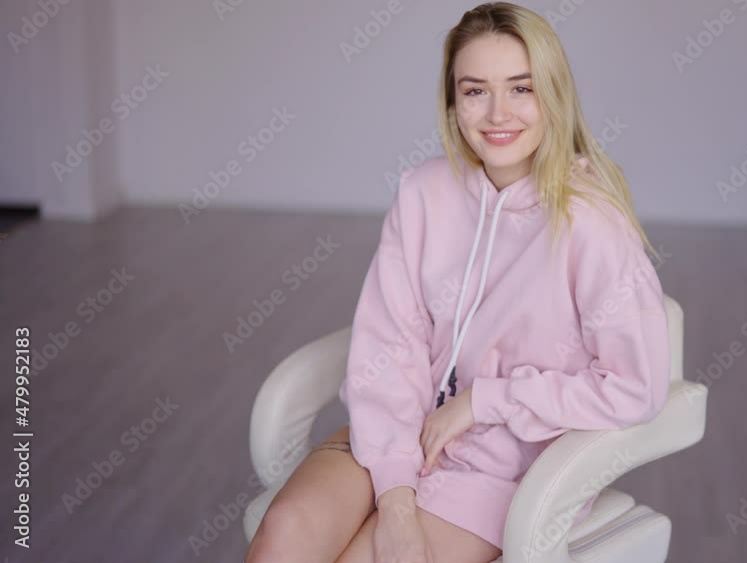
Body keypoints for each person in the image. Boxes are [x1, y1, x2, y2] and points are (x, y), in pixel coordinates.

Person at [244, 2, 671, 562]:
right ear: (453, 101)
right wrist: (396, 496)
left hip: (502, 473)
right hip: (397, 437)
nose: (498, 113)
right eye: (475, 91)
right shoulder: (423, 193)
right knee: (282, 535)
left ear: (554, 94)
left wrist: (486, 400)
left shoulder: (590, 224)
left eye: (521, 88)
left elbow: (635, 386)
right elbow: (389, 343)